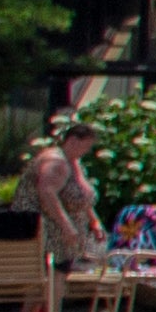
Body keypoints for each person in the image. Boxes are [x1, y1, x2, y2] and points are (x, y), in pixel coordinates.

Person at [19, 109, 107, 271]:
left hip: (66, 242)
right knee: (54, 274)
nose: (87, 151)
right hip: (48, 234)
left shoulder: (74, 162)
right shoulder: (56, 161)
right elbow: (46, 192)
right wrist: (67, 226)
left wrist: (94, 221)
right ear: (73, 140)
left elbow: (81, 197)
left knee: (62, 273)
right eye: (86, 146)